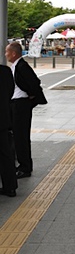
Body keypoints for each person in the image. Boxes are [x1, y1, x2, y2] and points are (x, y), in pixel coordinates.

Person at [5, 41, 47, 179]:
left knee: (21, 137)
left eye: (7, 52)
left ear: (14, 53)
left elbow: (34, 83)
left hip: (21, 105)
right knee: (16, 136)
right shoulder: (15, 66)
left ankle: (25, 167)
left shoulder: (22, 66)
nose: (5, 55)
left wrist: (30, 99)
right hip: (15, 104)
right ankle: (21, 164)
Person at [0, 65, 18, 196]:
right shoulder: (5, 71)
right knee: (5, 154)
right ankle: (10, 186)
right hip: (3, 119)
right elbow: (11, 91)